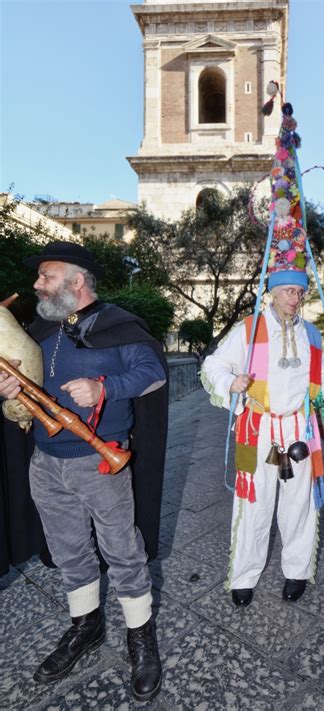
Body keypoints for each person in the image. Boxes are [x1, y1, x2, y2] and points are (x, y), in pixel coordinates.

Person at [0, 241, 166, 702]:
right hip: (46, 463)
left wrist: (104, 386)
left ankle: (140, 635)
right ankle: (86, 627)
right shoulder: (40, 331)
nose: (36, 284)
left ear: (76, 281)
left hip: (100, 462)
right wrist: (8, 388)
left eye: (46, 276)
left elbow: (153, 373)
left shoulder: (119, 326)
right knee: (70, 552)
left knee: (123, 551)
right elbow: (22, 397)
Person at [201, 272, 324, 607]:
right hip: (256, 428)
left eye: (300, 292)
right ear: (272, 293)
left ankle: (297, 571)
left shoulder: (312, 333)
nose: (295, 298)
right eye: (288, 291)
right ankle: (244, 576)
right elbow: (213, 365)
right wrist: (231, 382)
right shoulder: (248, 328)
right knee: (253, 502)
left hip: (300, 430)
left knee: (299, 504)